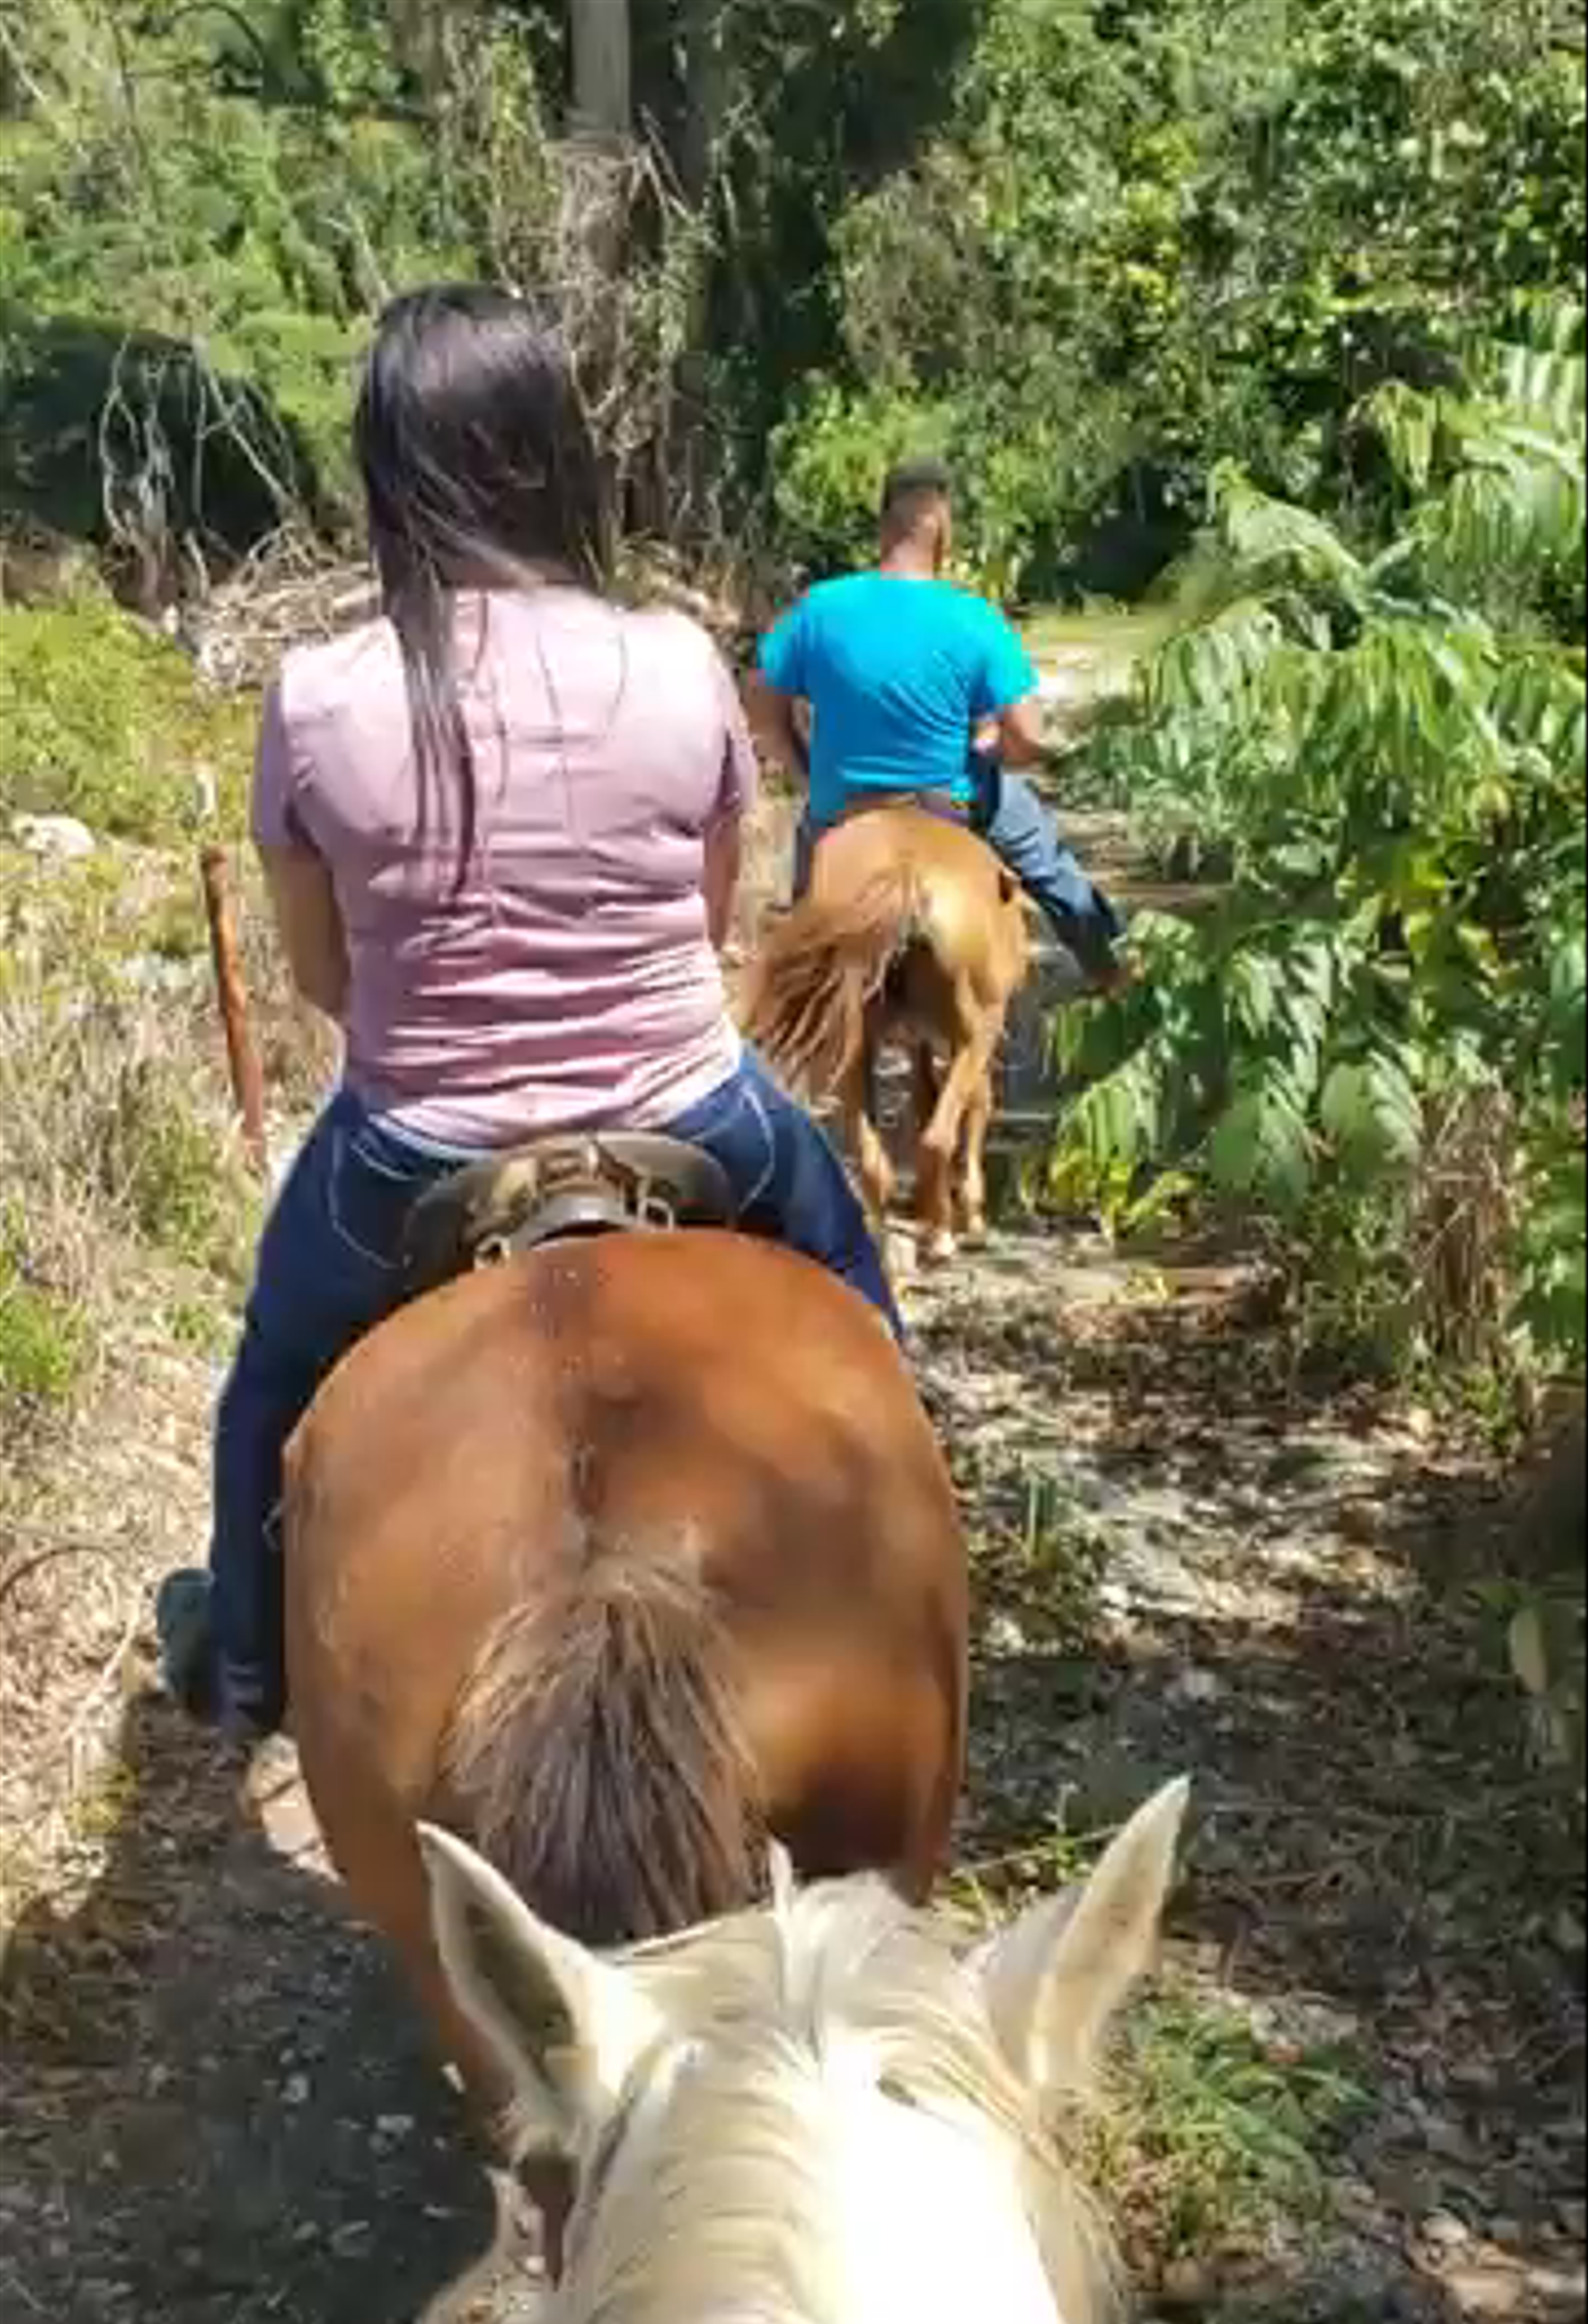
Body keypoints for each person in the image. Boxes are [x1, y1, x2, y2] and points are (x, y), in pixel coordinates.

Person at [158, 282, 897, 1750]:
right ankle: (910, 1567)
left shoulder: (316, 696)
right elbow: (702, 923)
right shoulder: (679, 658)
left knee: (267, 1384)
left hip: (415, 1145)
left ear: (391, 475)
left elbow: (321, 981)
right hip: (690, 1109)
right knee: (858, 1302)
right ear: (562, 456)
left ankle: (243, 1660)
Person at [750, 460, 1124, 990]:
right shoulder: (976, 618)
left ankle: (792, 1002)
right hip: (946, 801)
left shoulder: (818, 609)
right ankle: (1111, 969)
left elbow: (761, 709)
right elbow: (1030, 737)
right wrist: (994, 748)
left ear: (883, 527)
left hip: (842, 809)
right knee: (1049, 863)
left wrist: (807, 774)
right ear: (943, 531)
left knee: (801, 929)